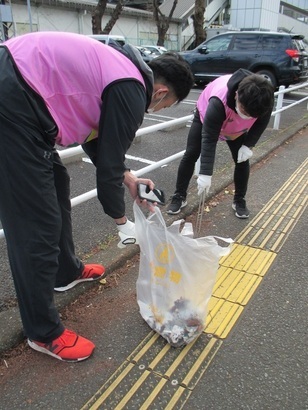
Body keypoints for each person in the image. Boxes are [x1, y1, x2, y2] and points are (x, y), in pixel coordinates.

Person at [0, 31, 194, 362]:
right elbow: (106, 169)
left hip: (18, 92)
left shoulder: (124, 70)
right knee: (37, 225)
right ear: (161, 92)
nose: (158, 108)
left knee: (57, 182)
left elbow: (99, 138)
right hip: (12, 102)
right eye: (166, 105)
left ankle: (65, 272)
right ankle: (43, 333)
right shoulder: (132, 90)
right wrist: (123, 223)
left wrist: (129, 178)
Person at [167, 68, 274, 218]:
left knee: (242, 159)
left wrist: (249, 144)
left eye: (251, 115)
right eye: (245, 110)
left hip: (236, 129)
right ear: (237, 95)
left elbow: (262, 121)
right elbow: (209, 138)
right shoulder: (218, 100)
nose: (247, 116)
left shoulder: (265, 100)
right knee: (191, 153)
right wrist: (205, 173)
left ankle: (239, 200)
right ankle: (179, 195)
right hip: (208, 117)